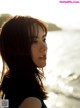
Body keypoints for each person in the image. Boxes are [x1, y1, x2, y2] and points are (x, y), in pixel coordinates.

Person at [0, 15, 48, 108]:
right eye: (33, 41)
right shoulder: (32, 103)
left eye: (43, 39)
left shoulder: (9, 81)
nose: (44, 47)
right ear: (16, 48)